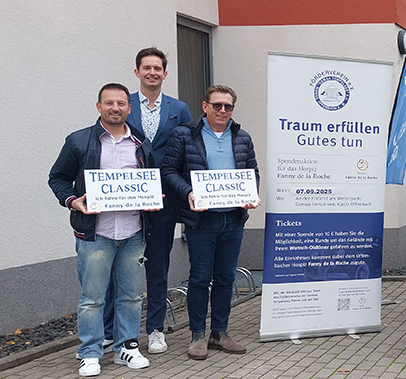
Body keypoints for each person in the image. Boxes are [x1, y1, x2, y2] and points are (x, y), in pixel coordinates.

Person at [48, 83, 153, 376]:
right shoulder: (78, 141)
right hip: (95, 234)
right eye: (109, 103)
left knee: (131, 296)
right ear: (99, 106)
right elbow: (57, 178)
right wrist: (72, 201)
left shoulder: (141, 143)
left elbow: (150, 179)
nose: (115, 108)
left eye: (121, 103)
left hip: (134, 232)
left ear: (129, 108)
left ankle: (126, 348)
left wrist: (152, 198)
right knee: (92, 299)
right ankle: (90, 352)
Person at [162, 85, 259, 360]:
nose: (222, 110)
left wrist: (251, 194)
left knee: (226, 277)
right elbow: (168, 170)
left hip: (233, 219)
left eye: (228, 106)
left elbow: (252, 172)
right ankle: (197, 335)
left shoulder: (242, 137)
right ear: (205, 106)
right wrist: (188, 192)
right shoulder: (184, 135)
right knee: (200, 278)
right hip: (202, 220)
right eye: (217, 105)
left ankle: (219, 333)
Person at [105, 47, 191, 354]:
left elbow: (188, 151)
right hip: (128, 198)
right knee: (117, 266)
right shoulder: (123, 104)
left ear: (165, 74)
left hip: (165, 199)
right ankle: (109, 330)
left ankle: (155, 329)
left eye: (157, 68)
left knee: (158, 265)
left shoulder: (179, 108)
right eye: (146, 68)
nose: (152, 72)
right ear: (137, 72)